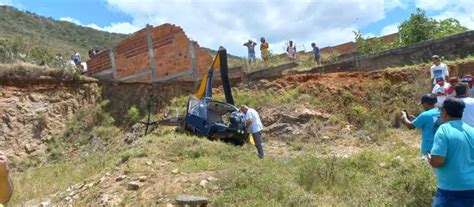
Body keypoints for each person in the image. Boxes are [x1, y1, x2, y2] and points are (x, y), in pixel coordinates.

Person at [428, 98, 474, 207]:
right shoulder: (471, 130)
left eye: (441, 111)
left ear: (445, 113)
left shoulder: (443, 130)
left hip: (451, 188)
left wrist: (430, 159)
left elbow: (438, 161)